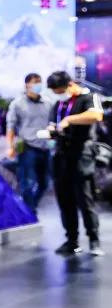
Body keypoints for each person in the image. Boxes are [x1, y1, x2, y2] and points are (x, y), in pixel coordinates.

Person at [46, 71, 104, 256]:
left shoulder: (88, 97)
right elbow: (52, 123)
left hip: (81, 155)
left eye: (60, 91)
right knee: (65, 201)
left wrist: (69, 119)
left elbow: (96, 116)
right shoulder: (58, 104)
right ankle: (72, 240)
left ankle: (94, 239)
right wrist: (52, 130)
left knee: (85, 200)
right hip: (61, 156)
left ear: (70, 85)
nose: (58, 95)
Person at [5, 73, 53, 213]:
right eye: (35, 82)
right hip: (26, 147)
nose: (38, 85)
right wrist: (10, 146)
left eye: (40, 82)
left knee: (45, 183)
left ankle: (32, 205)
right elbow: (11, 127)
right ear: (27, 85)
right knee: (27, 182)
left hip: (45, 147)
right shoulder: (17, 104)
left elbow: (52, 123)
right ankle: (30, 210)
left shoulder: (48, 103)